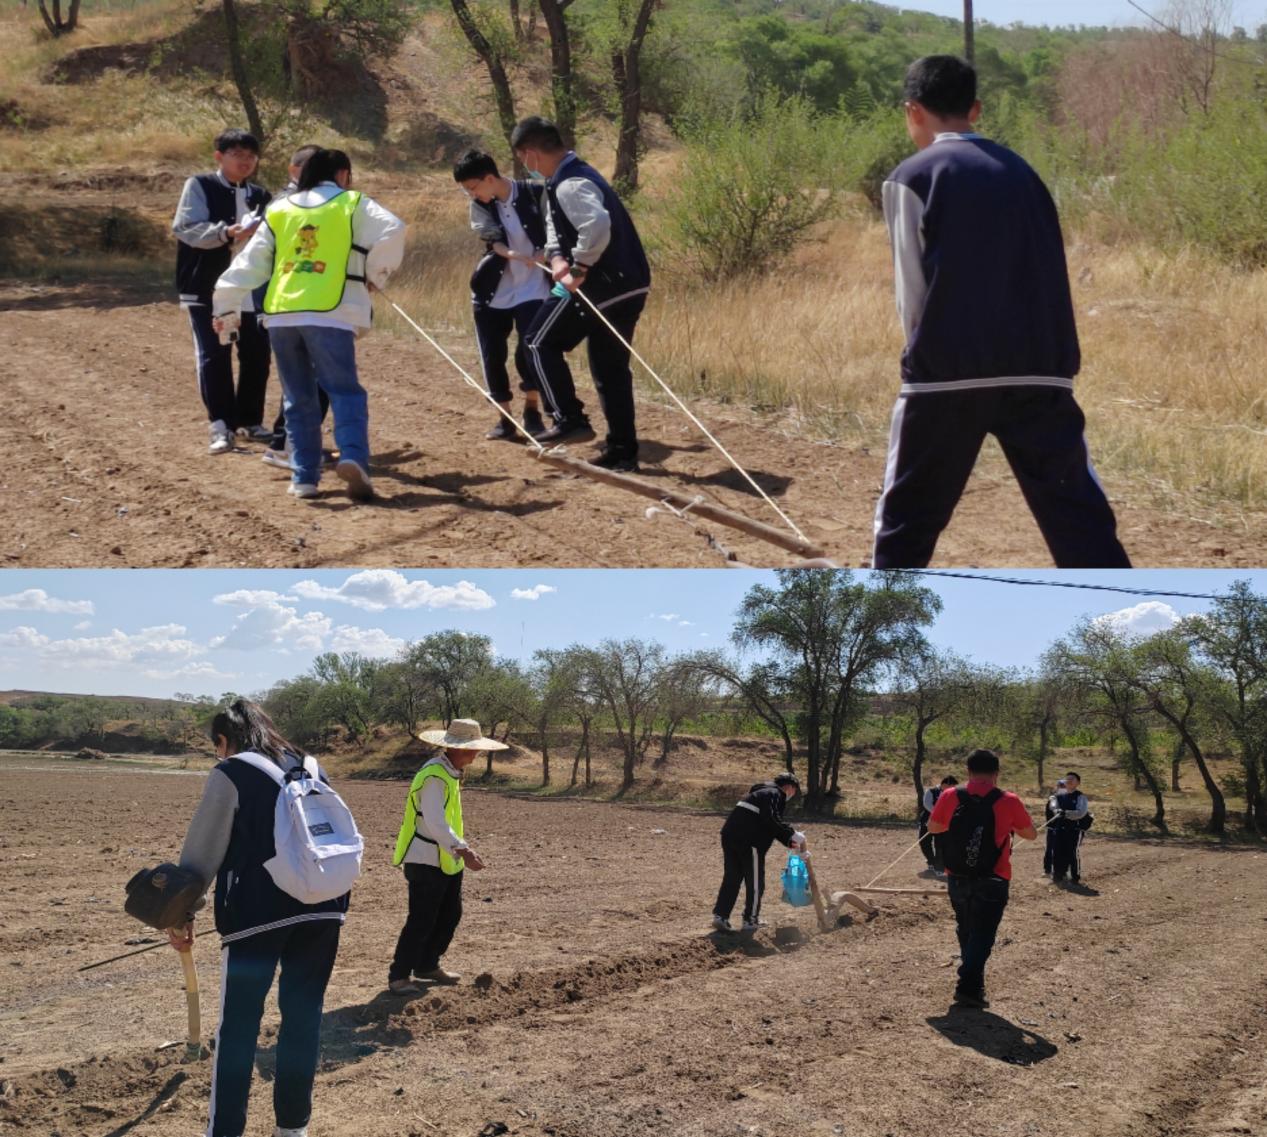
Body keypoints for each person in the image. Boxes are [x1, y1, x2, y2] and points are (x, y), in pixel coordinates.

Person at [874, 55, 1131, 569]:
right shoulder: (1024, 173)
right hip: (1041, 372)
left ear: (912, 111)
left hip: (946, 377)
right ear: (975, 110)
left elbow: (912, 292)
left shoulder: (912, 176)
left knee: (907, 520)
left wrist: (921, 360)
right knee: (1079, 518)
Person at [169, 699, 350, 1137]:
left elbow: (202, 851)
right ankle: (293, 1128)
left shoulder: (231, 772)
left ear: (223, 740)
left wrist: (181, 912)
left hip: (258, 917)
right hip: (324, 907)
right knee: (303, 1020)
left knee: (238, 1029)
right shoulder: (310, 765)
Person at [212, 148, 406, 502]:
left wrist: (225, 306)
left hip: (282, 313)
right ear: (342, 174)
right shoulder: (352, 202)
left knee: (297, 397)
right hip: (331, 312)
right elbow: (394, 228)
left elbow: (250, 263)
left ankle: (303, 477)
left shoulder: (280, 209)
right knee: (344, 391)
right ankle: (353, 456)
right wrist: (374, 273)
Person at [511, 115, 652, 472]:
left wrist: (579, 267)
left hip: (602, 286)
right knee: (609, 368)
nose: (525, 166)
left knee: (536, 342)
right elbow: (556, 228)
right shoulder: (570, 177)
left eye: (522, 159)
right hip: (630, 285)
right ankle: (622, 452)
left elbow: (596, 225)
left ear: (530, 154)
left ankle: (569, 418)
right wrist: (558, 257)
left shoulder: (570, 184)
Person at [172, 127, 273, 454]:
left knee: (257, 354)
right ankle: (221, 426)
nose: (245, 161)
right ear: (219, 156)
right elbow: (186, 228)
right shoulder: (200, 185)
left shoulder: (261, 196)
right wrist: (227, 233)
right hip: (208, 289)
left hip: (251, 291)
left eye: (251, 156)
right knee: (215, 354)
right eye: (237, 154)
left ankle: (250, 421)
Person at [387, 718, 500, 994]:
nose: (477, 754)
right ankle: (399, 975)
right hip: (425, 858)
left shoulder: (449, 772)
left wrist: (459, 850)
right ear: (460, 749)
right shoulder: (435, 776)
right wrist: (464, 850)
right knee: (422, 919)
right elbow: (435, 822)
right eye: (474, 748)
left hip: (445, 859)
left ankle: (427, 965)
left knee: (450, 914)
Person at [453, 148, 551, 443]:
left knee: (529, 347)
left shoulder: (535, 193)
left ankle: (532, 410)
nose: (471, 194)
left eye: (473, 187)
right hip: (494, 288)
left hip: (535, 285)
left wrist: (544, 253)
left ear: (489, 178)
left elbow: (556, 229)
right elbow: (492, 240)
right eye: (467, 190)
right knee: (492, 352)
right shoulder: (479, 205)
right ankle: (505, 418)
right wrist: (511, 254)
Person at [927, 748, 1037, 1009]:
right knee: (983, 933)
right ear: (997, 773)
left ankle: (973, 985)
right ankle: (967, 985)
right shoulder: (1008, 800)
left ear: (968, 771)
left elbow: (933, 827)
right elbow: (1030, 834)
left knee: (966, 928)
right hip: (994, 877)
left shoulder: (951, 795)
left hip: (957, 875)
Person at [261, 143, 335, 473]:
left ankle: (292, 444)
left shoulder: (315, 203)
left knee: (312, 376)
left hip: (310, 300)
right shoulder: (285, 204)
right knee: (307, 377)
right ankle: (286, 444)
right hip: (293, 301)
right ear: (294, 170)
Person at [711, 772, 806, 933]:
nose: (793, 794)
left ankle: (721, 916)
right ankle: (750, 920)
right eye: (794, 790)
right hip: (750, 841)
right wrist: (791, 832)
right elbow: (771, 818)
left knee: (732, 878)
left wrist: (790, 842)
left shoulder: (760, 793)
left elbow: (769, 824)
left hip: (729, 836)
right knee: (755, 883)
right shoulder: (776, 794)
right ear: (789, 787)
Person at [1049, 771, 1090, 885]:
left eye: (1072, 779)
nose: (1069, 781)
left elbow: (1081, 813)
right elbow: (1053, 807)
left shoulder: (1081, 797)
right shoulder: (1058, 796)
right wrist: (1056, 809)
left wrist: (1066, 813)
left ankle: (1074, 878)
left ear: (1078, 783)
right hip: (1059, 828)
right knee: (1057, 852)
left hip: (1074, 829)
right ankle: (1058, 875)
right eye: (1067, 779)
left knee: (1071, 853)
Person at [918, 775, 958, 875]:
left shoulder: (953, 794)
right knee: (924, 842)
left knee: (940, 844)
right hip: (927, 821)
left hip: (943, 823)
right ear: (945, 784)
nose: (953, 789)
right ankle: (931, 861)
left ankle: (939, 867)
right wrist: (937, 814)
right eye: (952, 786)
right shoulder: (931, 791)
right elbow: (927, 804)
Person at [1043, 777, 1066, 876]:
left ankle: (1063, 871)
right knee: (1050, 849)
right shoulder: (1053, 798)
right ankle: (1047, 870)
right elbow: (1053, 806)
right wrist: (1057, 811)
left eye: (1064, 786)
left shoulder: (1069, 799)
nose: (1062, 788)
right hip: (1052, 828)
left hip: (1064, 829)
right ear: (1057, 787)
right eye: (1061, 786)